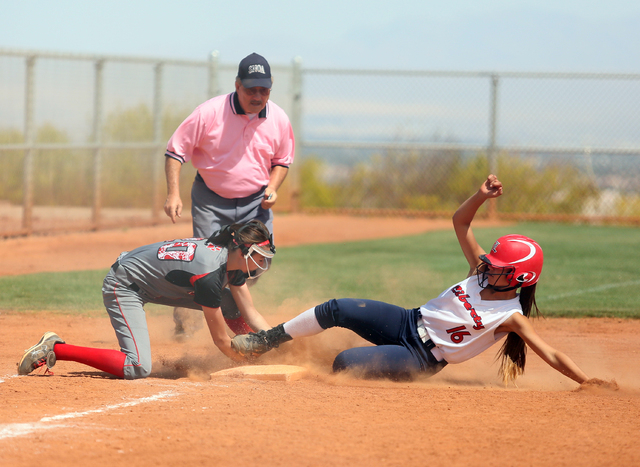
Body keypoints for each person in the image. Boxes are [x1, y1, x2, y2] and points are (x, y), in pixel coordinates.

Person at [230, 175, 593, 385]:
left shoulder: (511, 317)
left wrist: (588, 382)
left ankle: (314, 365)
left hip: (419, 356)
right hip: (407, 319)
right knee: (336, 307)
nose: (488, 264)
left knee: (344, 363)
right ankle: (266, 340)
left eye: (499, 265)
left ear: (519, 278)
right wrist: (480, 197)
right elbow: (460, 223)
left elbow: (552, 354)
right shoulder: (480, 273)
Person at [17, 220, 273, 379]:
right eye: (260, 255)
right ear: (242, 250)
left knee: (229, 303)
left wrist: (273, 340)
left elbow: (249, 312)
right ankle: (56, 348)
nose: (263, 262)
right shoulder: (210, 274)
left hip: (154, 283)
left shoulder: (230, 262)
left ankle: (258, 349)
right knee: (137, 367)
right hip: (125, 284)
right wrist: (245, 358)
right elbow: (221, 342)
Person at [163, 52, 295, 338]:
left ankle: (231, 302)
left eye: (263, 89)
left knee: (259, 260)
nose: (257, 95)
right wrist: (173, 193)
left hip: (255, 203)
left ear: (270, 88)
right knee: (210, 263)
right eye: (251, 89)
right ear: (237, 85)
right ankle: (187, 318)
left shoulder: (279, 119)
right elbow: (175, 151)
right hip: (211, 200)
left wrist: (273, 187)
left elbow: (283, 161)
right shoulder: (209, 113)